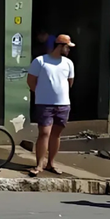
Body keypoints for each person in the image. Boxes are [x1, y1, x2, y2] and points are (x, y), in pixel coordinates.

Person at [26, 34, 75, 177]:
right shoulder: (40, 61)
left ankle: (51, 163)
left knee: (56, 134)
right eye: (67, 47)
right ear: (60, 46)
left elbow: (70, 82)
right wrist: (41, 92)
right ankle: (39, 164)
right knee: (44, 133)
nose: (68, 50)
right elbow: (31, 81)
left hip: (63, 104)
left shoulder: (68, 63)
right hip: (44, 104)